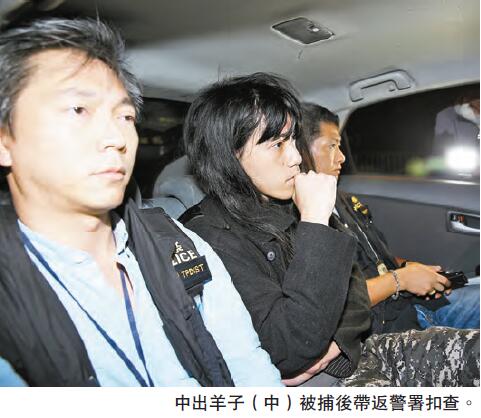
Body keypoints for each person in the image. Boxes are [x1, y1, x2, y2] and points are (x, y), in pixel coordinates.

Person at [0, 17, 282, 387]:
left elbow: (248, 365)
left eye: (126, 116)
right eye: (78, 110)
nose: (116, 137)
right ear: (5, 140)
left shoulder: (177, 242)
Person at [180, 73, 480, 386]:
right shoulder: (210, 237)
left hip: (361, 353)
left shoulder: (286, 205)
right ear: (229, 154)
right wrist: (314, 220)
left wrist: (334, 341)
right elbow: (292, 348)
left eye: (292, 140)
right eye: (277, 144)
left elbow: (354, 294)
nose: (296, 157)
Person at [298, 102, 480, 334]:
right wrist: (401, 279)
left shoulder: (342, 199)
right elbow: (330, 302)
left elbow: (374, 256)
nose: (341, 157)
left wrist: (408, 268)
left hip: (410, 306)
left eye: (340, 146)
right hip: (385, 330)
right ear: (301, 150)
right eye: (331, 146)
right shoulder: (305, 222)